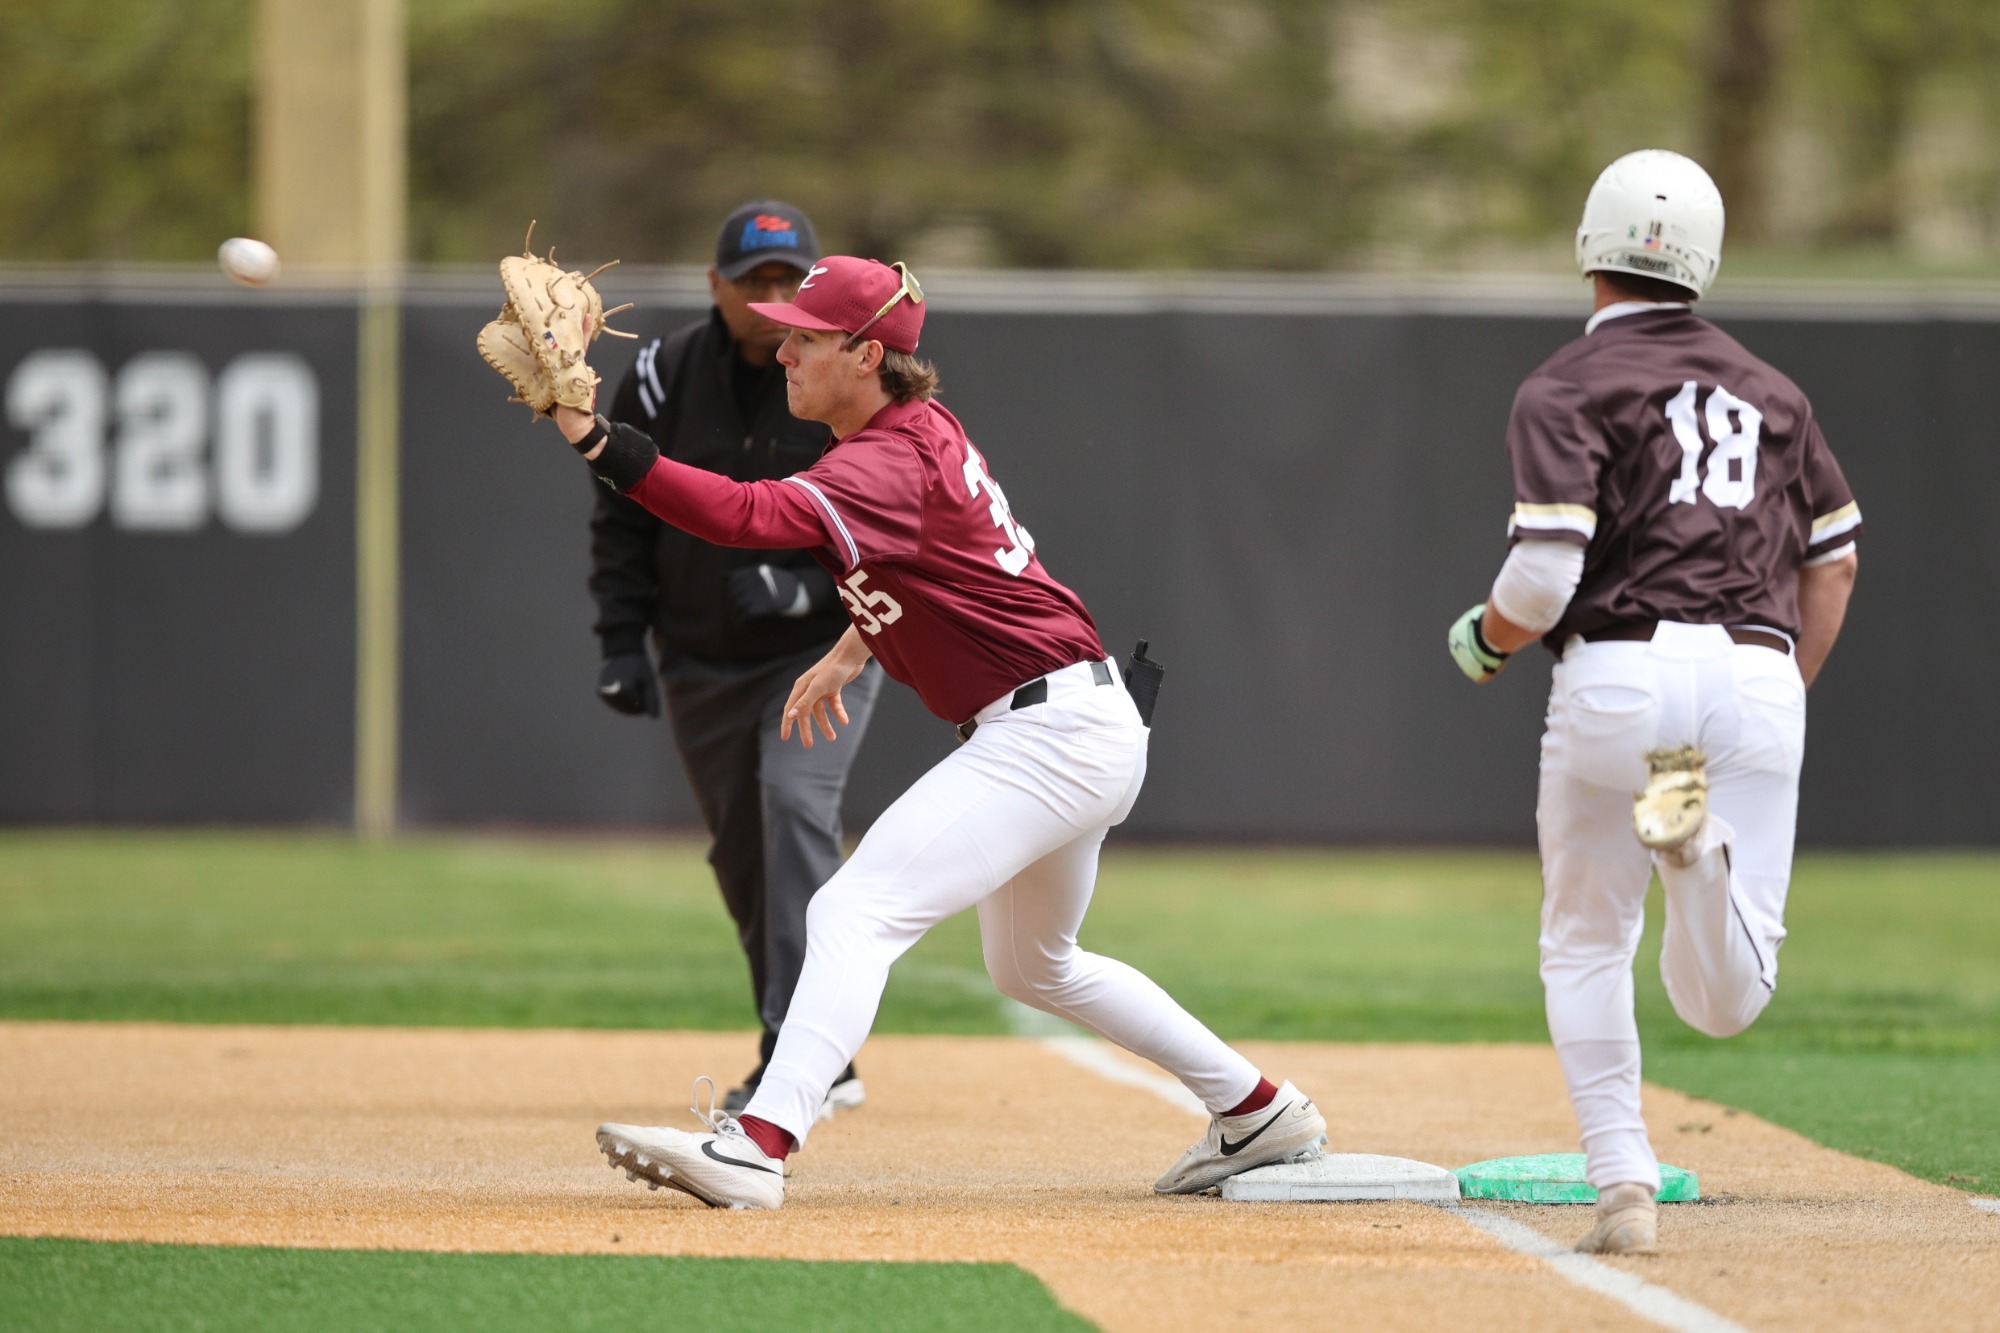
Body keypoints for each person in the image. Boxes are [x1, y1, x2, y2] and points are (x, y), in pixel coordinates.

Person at [554, 255, 1326, 1210]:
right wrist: (852, 647)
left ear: (865, 355)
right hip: (1077, 718)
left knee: (852, 911)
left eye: (806, 336)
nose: (783, 350)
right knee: (1035, 964)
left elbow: (744, 515)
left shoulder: (885, 458)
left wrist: (593, 434)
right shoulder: (914, 430)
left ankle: (758, 1145)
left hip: (1049, 734)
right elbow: (929, 562)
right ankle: (1257, 1108)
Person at [1445, 150, 1862, 1255]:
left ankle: (1623, 1183)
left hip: (1618, 678)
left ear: (1590, 245)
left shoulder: (1564, 384)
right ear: (1704, 260)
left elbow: (1542, 577)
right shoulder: (1774, 392)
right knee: (1726, 1002)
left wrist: (1484, 639)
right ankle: (1695, 850)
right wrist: (1771, 700)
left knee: (1584, 942)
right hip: (1753, 669)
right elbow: (1834, 561)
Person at [588, 200, 882, 1116]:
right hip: (698, 656)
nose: (771, 295)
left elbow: (887, 517)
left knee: (794, 810)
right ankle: (819, 1046)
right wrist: (620, 640)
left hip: (820, 652)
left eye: (788, 278)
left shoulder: (841, 379)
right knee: (742, 855)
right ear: (715, 284)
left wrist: (802, 593)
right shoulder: (661, 372)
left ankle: (800, 1054)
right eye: (754, 279)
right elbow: (620, 514)